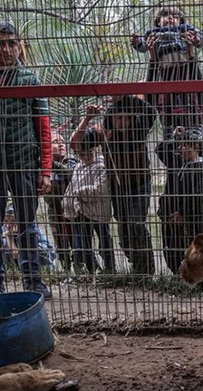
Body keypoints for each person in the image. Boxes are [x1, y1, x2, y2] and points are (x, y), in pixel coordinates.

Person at [0, 21, 52, 298]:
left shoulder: (29, 80)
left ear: (19, 46)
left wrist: (45, 169)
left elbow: (43, 126)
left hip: (23, 163)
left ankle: (33, 282)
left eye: (11, 43)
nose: (5, 49)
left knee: (27, 224)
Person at [71, 97, 156, 276]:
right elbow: (75, 143)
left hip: (140, 185)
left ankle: (147, 269)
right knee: (124, 232)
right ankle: (136, 265)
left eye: (127, 117)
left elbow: (151, 112)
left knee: (136, 223)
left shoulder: (139, 129)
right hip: (118, 188)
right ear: (111, 117)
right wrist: (87, 118)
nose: (123, 122)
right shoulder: (103, 132)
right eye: (119, 117)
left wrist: (126, 96)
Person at [130, 6, 203, 139]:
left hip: (183, 68)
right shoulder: (153, 33)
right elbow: (143, 45)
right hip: (165, 70)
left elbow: (199, 37)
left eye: (175, 16)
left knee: (189, 99)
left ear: (180, 21)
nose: (170, 18)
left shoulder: (184, 30)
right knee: (166, 101)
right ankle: (168, 128)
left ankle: (196, 127)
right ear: (158, 21)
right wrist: (136, 42)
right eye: (165, 15)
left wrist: (196, 40)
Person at [155, 127, 203, 274]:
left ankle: (191, 275)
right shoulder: (177, 164)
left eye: (184, 145)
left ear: (195, 147)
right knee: (169, 246)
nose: (179, 149)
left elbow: (198, 195)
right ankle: (176, 274)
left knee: (188, 248)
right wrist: (172, 136)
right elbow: (160, 149)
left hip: (188, 219)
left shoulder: (201, 168)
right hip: (169, 215)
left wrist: (183, 213)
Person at [63, 127, 115, 275]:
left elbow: (100, 189)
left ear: (95, 150)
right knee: (84, 245)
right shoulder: (78, 167)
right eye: (82, 154)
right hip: (82, 212)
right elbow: (72, 188)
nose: (85, 157)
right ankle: (94, 270)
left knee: (104, 242)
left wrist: (79, 192)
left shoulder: (101, 166)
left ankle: (110, 269)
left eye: (88, 153)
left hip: (98, 211)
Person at [44, 131, 78, 272]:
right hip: (55, 210)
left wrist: (51, 164)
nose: (61, 144)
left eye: (62, 141)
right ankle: (66, 269)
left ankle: (81, 268)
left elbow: (71, 174)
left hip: (71, 210)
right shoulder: (45, 168)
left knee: (76, 241)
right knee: (60, 242)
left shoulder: (70, 161)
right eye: (56, 142)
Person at [2, 204, 56, 274]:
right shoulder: (3, 229)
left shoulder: (31, 227)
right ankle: (11, 271)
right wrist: (10, 239)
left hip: (36, 264)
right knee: (3, 243)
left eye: (13, 221)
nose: (8, 226)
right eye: (6, 221)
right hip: (14, 265)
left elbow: (48, 249)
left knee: (37, 248)